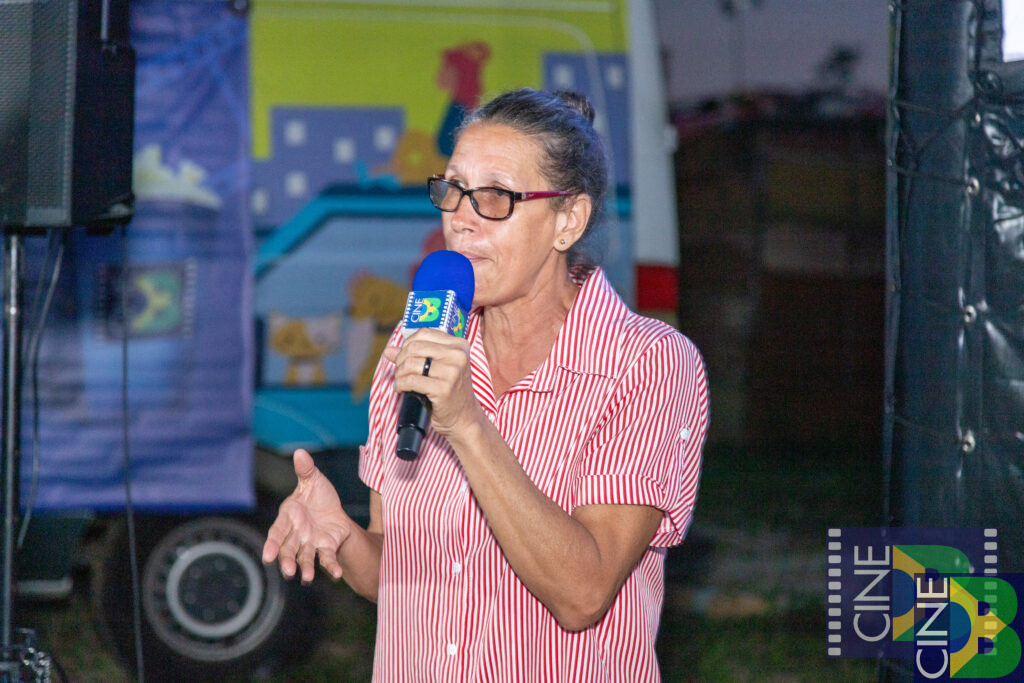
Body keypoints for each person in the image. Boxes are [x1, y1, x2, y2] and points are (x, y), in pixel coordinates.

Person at [262, 88, 709, 681]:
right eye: (452, 188)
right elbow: (399, 574)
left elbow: (583, 593)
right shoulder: (416, 342)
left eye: (496, 196)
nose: (461, 217)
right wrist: (340, 535)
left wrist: (468, 425)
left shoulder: (644, 364)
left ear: (568, 220)